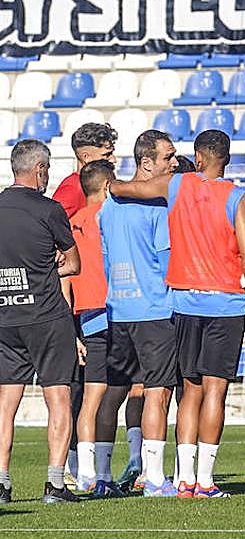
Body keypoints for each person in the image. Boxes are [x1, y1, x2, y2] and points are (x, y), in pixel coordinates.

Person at [109, 129, 245, 498]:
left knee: (189, 391)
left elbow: (127, 189)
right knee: (216, 392)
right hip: (225, 303)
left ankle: (184, 480)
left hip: (184, 302)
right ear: (227, 159)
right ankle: (206, 481)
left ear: (198, 156)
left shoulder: (177, 184)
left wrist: (110, 183)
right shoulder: (239, 196)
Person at [0, 139, 82, 504]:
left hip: (6, 314)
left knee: (5, 402)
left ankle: (1, 483)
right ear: (40, 169)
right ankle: (55, 484)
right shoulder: (49, 209)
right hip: (47, 315)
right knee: (58, 395)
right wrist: (48, 267)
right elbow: (74, 263)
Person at [99, 129, 178, 497]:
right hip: (154, 309)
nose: (174, 163)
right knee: (157, 393)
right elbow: (168, 263)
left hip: (118, 308)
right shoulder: (157, 206)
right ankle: (155, 478)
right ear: (147, 163)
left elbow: (105, 259)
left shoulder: (108, 206)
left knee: (112, 393)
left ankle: (100, 477)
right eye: (168, 157)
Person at [67, 160, 124, 498]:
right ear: (106, 186)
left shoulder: (70, 223)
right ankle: (103, 472)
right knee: (125, 392)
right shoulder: (111, 216)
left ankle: (87, 474)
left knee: (91, 397)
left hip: (85, 314)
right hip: (116, 310)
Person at [53, 123, 118, 217]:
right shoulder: (72, 189)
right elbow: (52, 223)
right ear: (85, 157)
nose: (113, 159)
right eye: (106, 155)